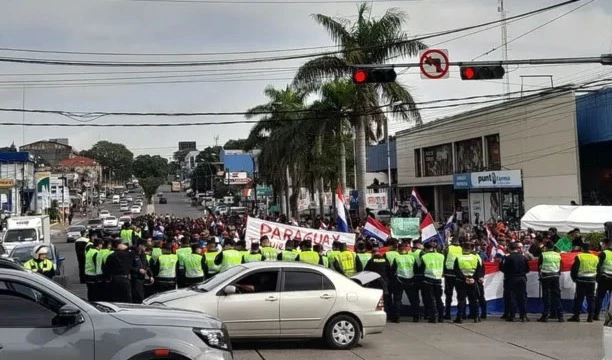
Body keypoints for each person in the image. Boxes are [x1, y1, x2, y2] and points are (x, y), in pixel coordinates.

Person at [453, 241, 483, 324]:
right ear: (471, 249)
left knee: (461, 300)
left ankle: (460, 317)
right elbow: (479, 270)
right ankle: (476, 317)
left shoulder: (458, 258)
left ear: (462, 248)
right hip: (472, 281)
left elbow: (456, 270)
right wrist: (473, 278)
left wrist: (464, 278)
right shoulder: (475, 258)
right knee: (474, 300)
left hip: (461, 282)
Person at [569, 241, 598, 322]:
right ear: (590, 248)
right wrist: (596, 279)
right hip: (591, 281)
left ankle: (576, 316)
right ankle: (590, 317)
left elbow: (574, 269)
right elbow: (599, 270)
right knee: (591, 299)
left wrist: (574, 279)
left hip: (581, 280)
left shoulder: (579, 256)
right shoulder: (595, 257)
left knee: (579, 299)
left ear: (582, 248)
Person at [501, 242, 530, 322]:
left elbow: (503, 268)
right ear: (517, 248)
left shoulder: (508, 258)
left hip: (511, 279)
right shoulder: (523, 257)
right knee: (522, 298)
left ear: (510, 249)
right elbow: (528, 269)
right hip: (522, 279)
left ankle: (512, 315)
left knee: (512, 297)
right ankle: (523, 316)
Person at [391, 241, 419, 323]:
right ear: (406, 249)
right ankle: (416, 317)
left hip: (399, 280)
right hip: (410, 280)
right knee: (413, 300)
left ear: (399, 250)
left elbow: (392, 270)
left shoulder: (397, 258)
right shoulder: (412, 258)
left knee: (397, 299)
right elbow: (416, 269)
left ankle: (397, 318)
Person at [364, 244, 394, 321]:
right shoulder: (385, 259)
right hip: (384, 282)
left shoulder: (371, 260)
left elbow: (366, 271)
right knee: (386, 299)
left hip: (374, 282)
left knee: (375, 300)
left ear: (372, 253)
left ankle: (375, 316)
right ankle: (388, 315)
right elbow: (389, 271)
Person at [538, 241, 564, 322]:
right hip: (555, 276)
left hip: (546, 277)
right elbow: (560, 265)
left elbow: (539, 266)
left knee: (546, 297)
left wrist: (540, 275)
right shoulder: (558, 255)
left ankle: (545, 316)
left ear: (546, 247)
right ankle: (560, 316)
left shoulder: (543, 254)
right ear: (553, 247)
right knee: (556, 296)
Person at [419, 240, 444, 323]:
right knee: (438, 299)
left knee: (431, 299)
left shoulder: (424, 257)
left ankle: (434, 317)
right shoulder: (441, 256)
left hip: (428, 279)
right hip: (438, 278)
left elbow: (421, 268)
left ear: (426, 248)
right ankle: (441, 317)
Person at [444, 237, 463, 319]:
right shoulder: (461, 249)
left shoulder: (448, 248)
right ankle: (461, 315)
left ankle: (448, 314)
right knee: (461, 296)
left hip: (449, 273)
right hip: (458, 274)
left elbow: (444, 259)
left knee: (448, 295)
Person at [595, 238, 612, 320]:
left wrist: (597, 277)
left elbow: (598, 266)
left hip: (604, 278)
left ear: (605, 244)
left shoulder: (603, 253)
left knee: (600, 297)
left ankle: (596, 315)